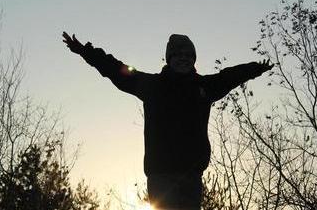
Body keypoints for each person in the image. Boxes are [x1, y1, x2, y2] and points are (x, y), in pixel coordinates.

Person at [62, 32, 273, 210]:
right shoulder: (152, 85)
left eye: (188, 55)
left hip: (191, 177)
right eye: (178, 54)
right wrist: (86, 52)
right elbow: (116, 69)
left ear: (194, 59)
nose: (183, 58)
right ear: (169, 59)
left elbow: (229, 76)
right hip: (161, 177)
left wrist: (254, 69)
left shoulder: (204, 87)